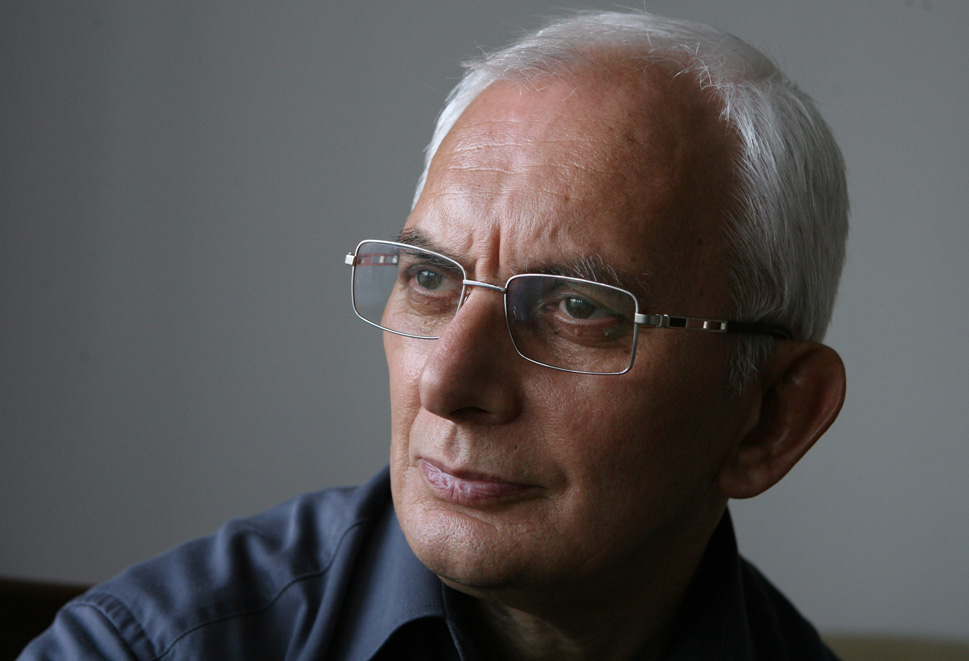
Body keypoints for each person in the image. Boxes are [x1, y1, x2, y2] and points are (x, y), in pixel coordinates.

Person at [21, 10, 848, 660]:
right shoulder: (151, 645)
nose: (446, 384)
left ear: (772, 418)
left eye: (577, 308)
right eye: (428, 277)